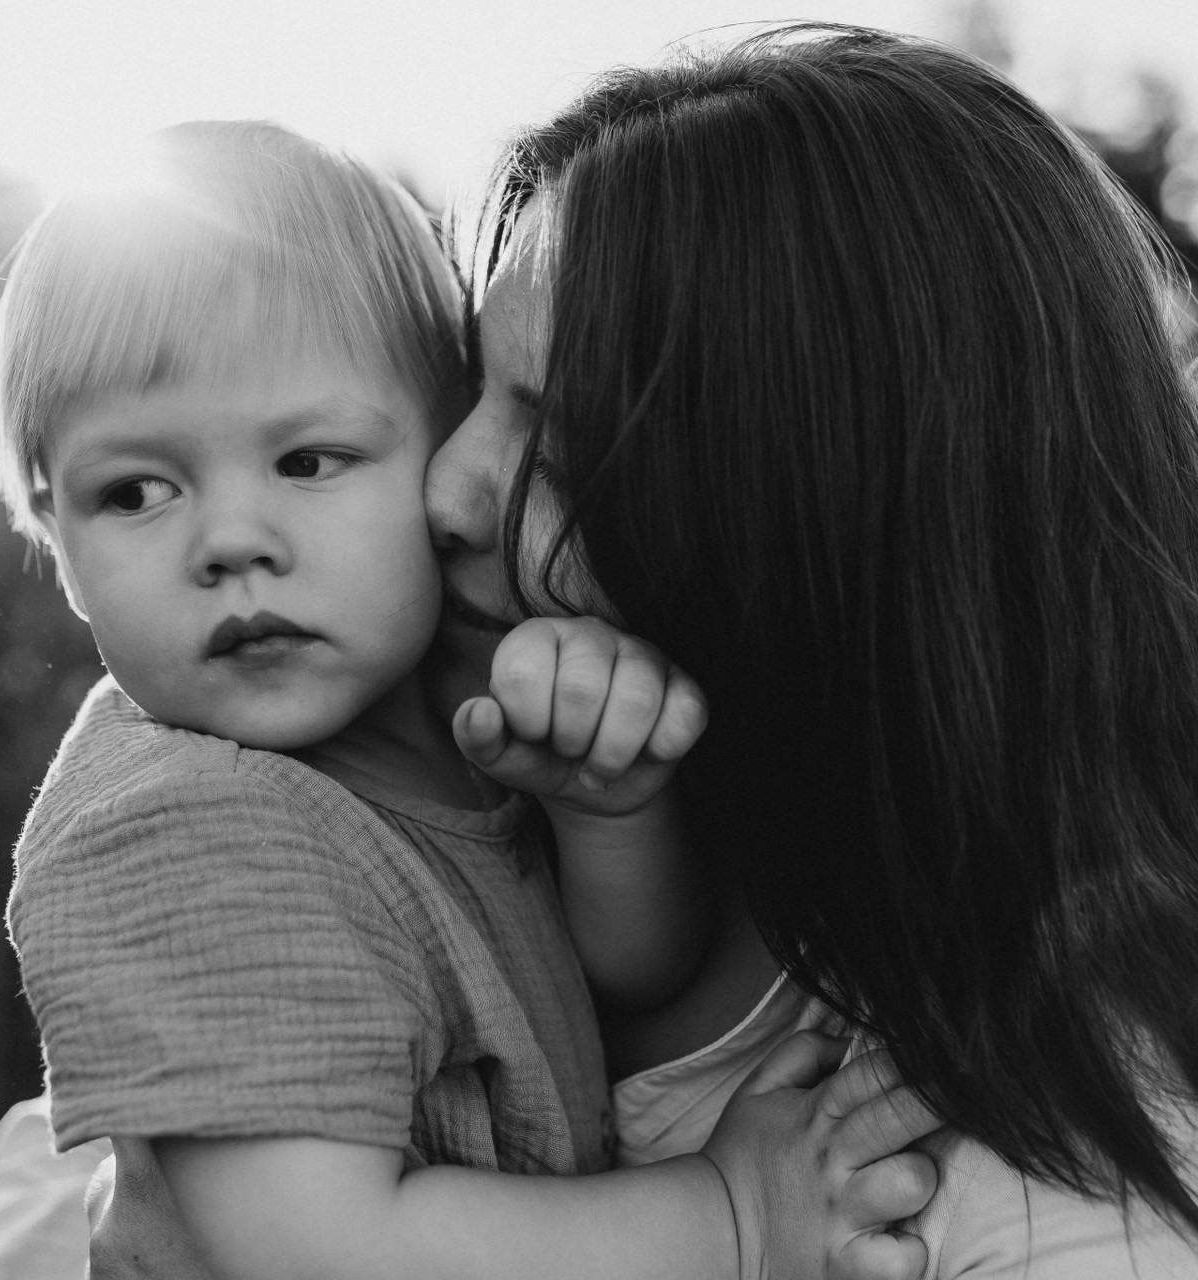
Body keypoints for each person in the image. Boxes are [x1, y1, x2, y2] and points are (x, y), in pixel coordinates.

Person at [0, 117, 937, 1280]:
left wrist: (605, 812)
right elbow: (317, 1248)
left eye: (306, 461)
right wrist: (730, 1215)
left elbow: (616, 986)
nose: (229, 541)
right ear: (51, 532)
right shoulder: (185, 828)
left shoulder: (423, 729)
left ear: (439, 450)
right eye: (135, 488)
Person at [425, 21, 1198, 1275]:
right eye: (464, 388)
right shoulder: (426, 838)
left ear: (807, 535)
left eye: (557, 453)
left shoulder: (1032, 1201)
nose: (447, 491)